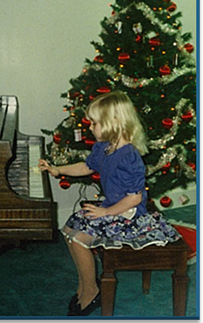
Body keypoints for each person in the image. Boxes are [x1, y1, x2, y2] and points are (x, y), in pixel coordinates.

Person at [38, 91, 181, 316]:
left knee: (79, 240)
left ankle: (92, 291)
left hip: (129, 215)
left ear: (114, 123)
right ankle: (85, 283)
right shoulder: (104, 147)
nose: (90, 127)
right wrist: (58, 169)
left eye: (94, 123)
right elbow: (86, 167)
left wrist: (105, 212)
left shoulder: (129, 156)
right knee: (68, 230)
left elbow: (134, 197)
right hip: (113, 207)